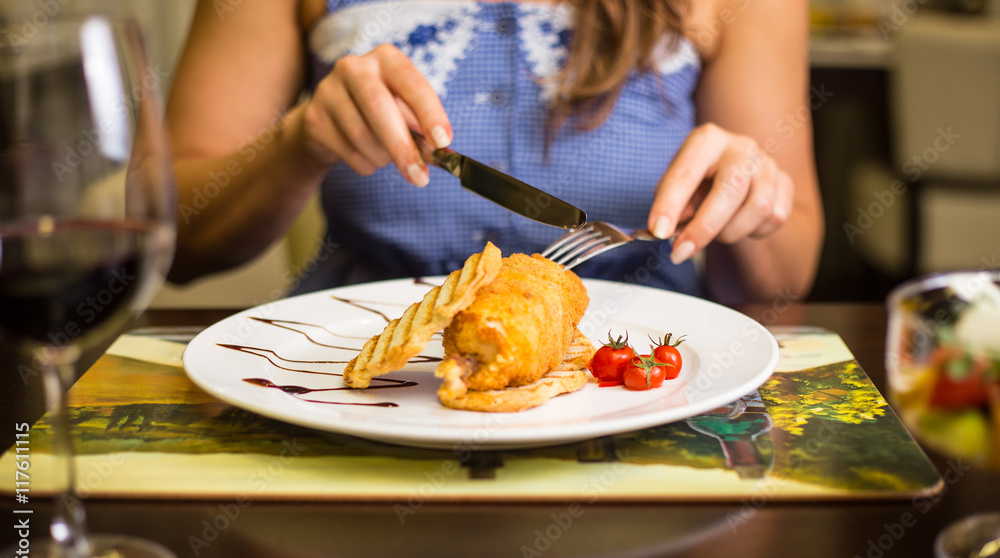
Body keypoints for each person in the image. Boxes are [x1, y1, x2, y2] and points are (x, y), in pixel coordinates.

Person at [165, 0, 823, 305]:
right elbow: (178, 243)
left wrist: (747, 204)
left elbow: (785, 281)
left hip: (646, 380)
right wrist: (297, 144)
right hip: (360, 390)